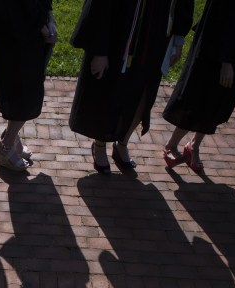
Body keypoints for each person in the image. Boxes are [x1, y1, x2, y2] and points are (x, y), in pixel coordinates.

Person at [69, 0, 193, 174]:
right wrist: (99, 51)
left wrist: (178, 41)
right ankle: (100, 144)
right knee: (110, 92)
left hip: (155, 39)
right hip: (119, 35)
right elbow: (100, 6)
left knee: (142, 94)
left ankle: (122, 143)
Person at [162, 0, 235, 173]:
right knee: (198, 97)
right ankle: (171, 145)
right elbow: (224, 16)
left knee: (216, 101)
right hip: (215, 47)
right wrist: (225, 61)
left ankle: (194, 146)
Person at [0, 0, 56, 172]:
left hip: (31, 35)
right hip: (13, 37)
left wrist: (49, 19)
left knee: (28, 90)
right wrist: (41, 26)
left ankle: (11, 137)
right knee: (21, 92)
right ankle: (6, 147)